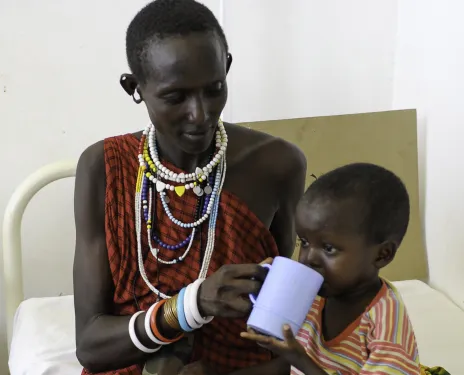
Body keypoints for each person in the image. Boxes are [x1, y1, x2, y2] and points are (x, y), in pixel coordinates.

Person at [72, 0, 306, 374]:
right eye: (175, 97)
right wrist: (191, 307)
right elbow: (91, 346)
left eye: (214, 89)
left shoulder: (278, 165)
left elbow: (281, 331)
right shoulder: (103, 167)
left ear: (227, 67)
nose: (201, 114)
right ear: (136, 87)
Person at [242, 163, 440, 375]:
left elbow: (296, 360)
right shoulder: (312, 294)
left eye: (329, 248)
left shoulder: (386, 323)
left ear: (382, 255)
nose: (310, 259)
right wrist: (267, 297)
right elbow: (287, 359)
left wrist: (299, 358)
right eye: (305, 242)